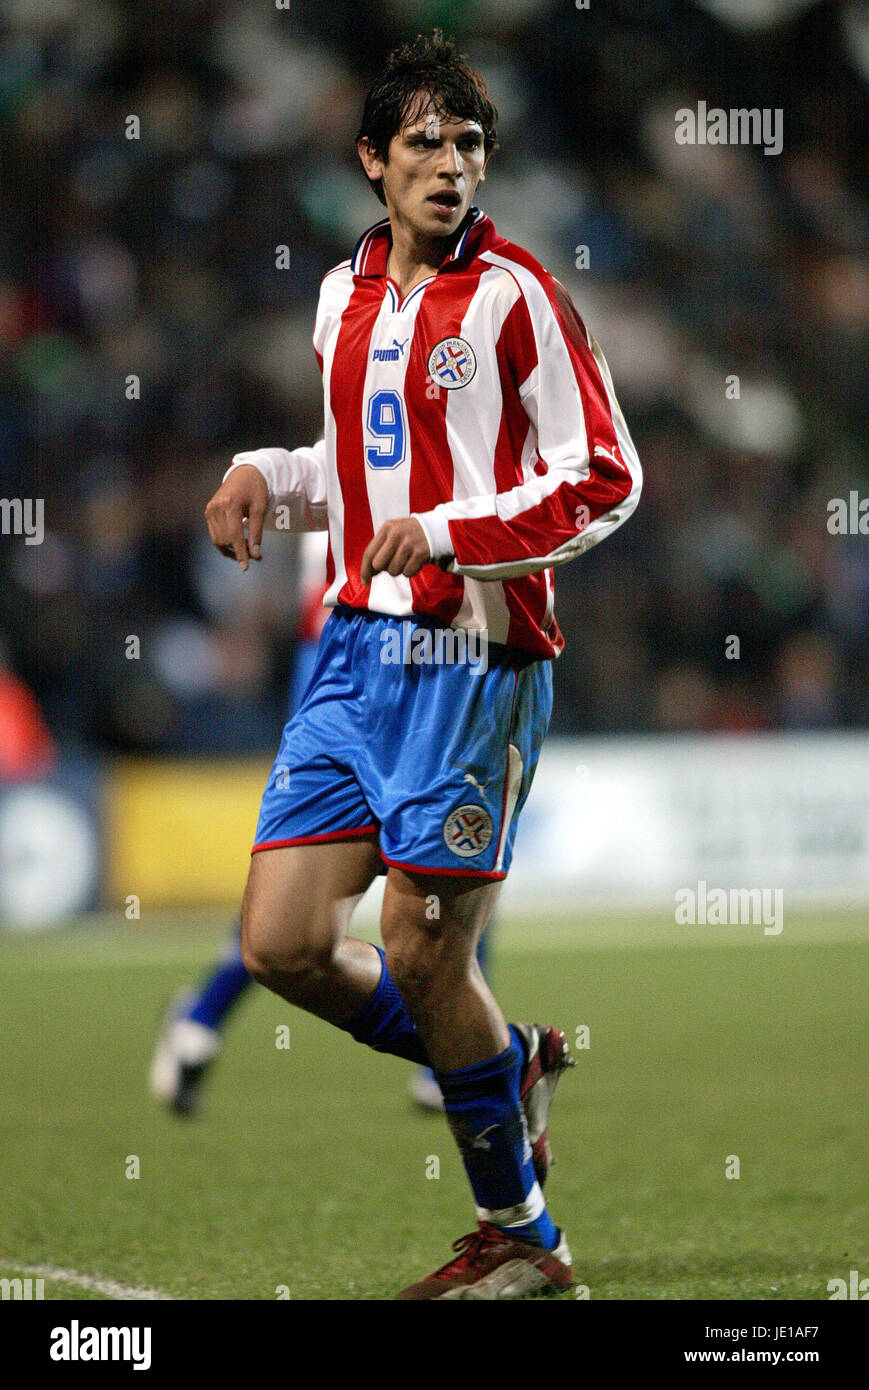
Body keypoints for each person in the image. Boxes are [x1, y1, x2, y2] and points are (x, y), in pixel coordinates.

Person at [203, 32, 641, 1299]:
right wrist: (262, 476)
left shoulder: (518, 296)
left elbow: (605, 478)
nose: (450, 168)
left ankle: (521, 1230)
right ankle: (505, 1062)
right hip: (350, 656)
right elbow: (353, 478)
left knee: (418, 951)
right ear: (371, 163)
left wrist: (451, 535)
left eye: (468, 146)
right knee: (283, 943)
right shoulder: (340, 294)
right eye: (422, 146)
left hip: (471, 658)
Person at [148, 528, 493, 1115]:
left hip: (387, 663)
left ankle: (201, 1019)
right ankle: (466, 1055)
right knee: (314, 897)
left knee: (434, 871)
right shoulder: (370, 464)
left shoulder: (357, 464)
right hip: (362, 670)